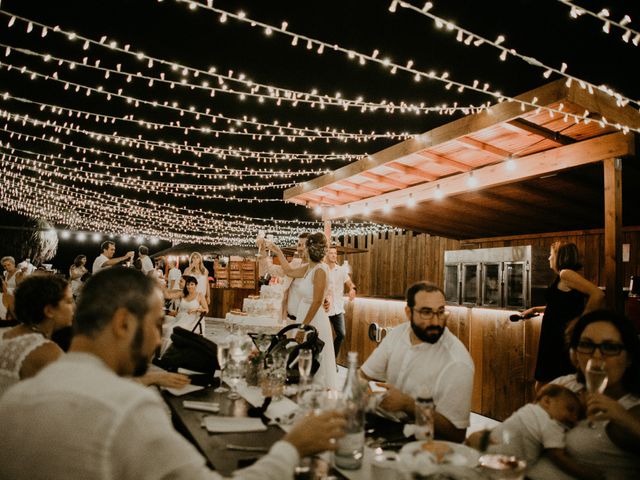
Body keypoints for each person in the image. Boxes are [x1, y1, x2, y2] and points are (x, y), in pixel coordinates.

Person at [0, 268, 345, 480]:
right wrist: (292, 447)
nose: (158, 339)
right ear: (123, 323)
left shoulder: (14, 401)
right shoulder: (127, 408)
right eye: (156, 326)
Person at [527, 310, 640, 480]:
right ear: (575, 353)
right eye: (586, 345)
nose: (596, 356)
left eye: (610, 347)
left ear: (629, 357)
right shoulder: (564, 384)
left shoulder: (632, 406)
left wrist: (626, 420)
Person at [360, 281, 474, 443]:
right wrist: (362, 391)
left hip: (423, 441)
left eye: (440, 312)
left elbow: (456, 434)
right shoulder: (399, 333)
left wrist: (408, 404)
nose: (435, 322)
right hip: (379, 423)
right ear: (408, 312)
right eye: (426, 312)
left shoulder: (457, 361)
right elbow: (363, 375)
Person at [468, 385, 601, 479]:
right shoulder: (551, 424)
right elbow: (558, 456)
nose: (572, 418)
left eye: (576, 416)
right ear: (547, 401)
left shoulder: (529, 408)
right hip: (504, 466)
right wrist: (586, 474)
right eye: (570, 409)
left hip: (486, 453)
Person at [522, 241, 605, 386]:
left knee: (545, 385)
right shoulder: (561, 276)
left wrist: (581, 323)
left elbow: (597, 294)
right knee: (547, 384)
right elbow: (559, 306)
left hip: (559, 337)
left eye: (551, 255)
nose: (549, 258)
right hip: (553, 336)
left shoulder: (566, 274)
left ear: (560, 257)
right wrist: (535, 309)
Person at [268, 233, 338, 389]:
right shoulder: (309, 268)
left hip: (314, 319)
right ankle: (304, 387)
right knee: (302, 355)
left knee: (313, 355)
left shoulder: (320, 269)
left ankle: (316, 391)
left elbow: (317, 301)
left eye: (304, 246)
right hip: (304, 315)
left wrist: (302, 327)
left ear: (308, 249)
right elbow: (289, 271)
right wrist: (278, 252)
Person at [0, 275, 73, 398]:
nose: (74, 307)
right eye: (69, 301)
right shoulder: (45, 351)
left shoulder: (7, 333)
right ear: (49, 311)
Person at [258, 232, 309, 322]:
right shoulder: (295, 263)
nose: (300, 248)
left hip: (306, 320)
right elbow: (270, 270)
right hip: (289, 319)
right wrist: (262, 250)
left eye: (304, 245)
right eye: (299, 245)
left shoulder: (315, 267)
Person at [324, 245, 356, 358]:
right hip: (325, 308)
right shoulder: (322, 269)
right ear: (326, 254)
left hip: (337, 308)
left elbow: (350, 283)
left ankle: (332, 359)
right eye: (331, 253)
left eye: (335, 253)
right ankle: (323, 361)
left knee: (341, 334)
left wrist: (352, 289)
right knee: (324, 336)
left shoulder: (341, 270)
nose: (334, 255)